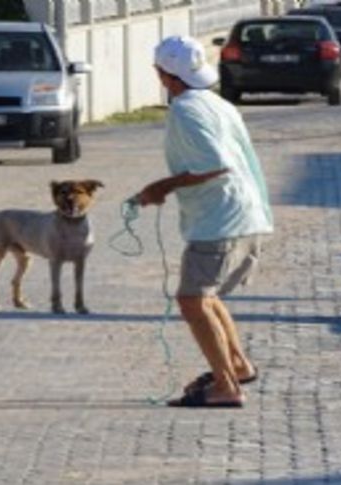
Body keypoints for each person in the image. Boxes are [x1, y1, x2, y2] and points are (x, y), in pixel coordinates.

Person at [136, 35, 274, 408]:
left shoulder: (185, 109)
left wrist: (160, 187)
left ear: (165, 75)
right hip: (245, 212)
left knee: (192, 300)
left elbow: (213, 164)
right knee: (205, 296)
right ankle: (238, 366)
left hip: (221, 219)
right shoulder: (216, 103)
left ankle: (226, 386)